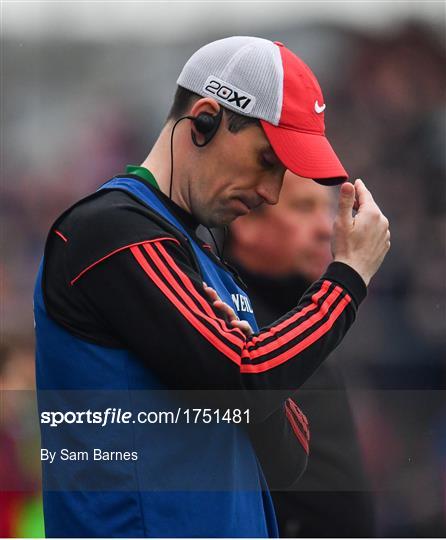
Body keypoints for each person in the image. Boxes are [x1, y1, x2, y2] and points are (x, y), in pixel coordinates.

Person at [34, 36, 390, 537]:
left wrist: (238, 360)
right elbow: (247, 380)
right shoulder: (111, 229)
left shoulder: (208, 263)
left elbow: (289, 457)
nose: (270, 192)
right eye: (267, 161)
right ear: (205, 119)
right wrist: (347, 279)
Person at [229, 171, 375, 537]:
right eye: (303, 207)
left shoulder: (303, 321)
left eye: (325, 210)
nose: (326, 229)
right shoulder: (233, 328)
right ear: (245, 222)